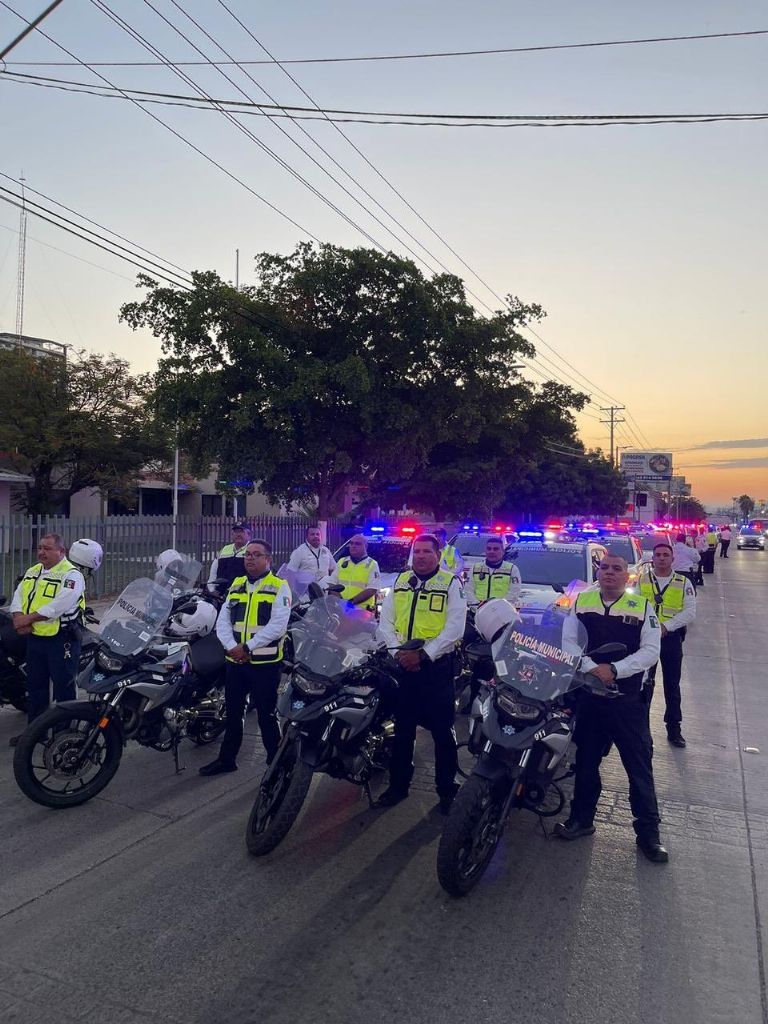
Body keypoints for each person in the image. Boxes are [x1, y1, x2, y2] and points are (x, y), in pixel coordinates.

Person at [555, 551, 667, 863]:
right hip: (590, 696)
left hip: (626, 701)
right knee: (586, 762)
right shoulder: (581, 602)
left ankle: (649, 835)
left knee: (638, 767)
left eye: (617, 569)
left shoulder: (642, 607)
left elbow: (650, 651)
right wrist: (593, 668)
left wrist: (615, 670)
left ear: (627, 575)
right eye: (604, 568)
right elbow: (569, 642)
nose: (609, 573)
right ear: (598, 571)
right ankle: (581, 819)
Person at [376, 534, 467, 814]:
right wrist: (399, 654)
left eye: (427, 552)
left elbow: (455, 628)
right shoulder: (401, 582)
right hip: (403, 666)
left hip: (436, 669)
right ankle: (398, 786)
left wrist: (424, 654)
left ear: (438, 555)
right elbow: (386, 622)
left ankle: (446, 789)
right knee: (402, 732)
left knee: (442, 732)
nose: (422, 556)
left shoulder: (451, 583)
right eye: (417, 551)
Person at [200, 539, 291, 776]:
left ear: (267, 559)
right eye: (248, 554)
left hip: (265, 664)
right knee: (233, 713)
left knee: (266, 716)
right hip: (236, 663)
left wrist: (247, 647)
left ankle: (276, 762)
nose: (249, 558)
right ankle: (227, 759)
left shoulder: (279, 586)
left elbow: (278, 626)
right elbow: (223, 621)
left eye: (256, 555)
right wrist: (232, 647)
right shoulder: (238, 584)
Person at [9, 534, 99, 742]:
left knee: (64, 689)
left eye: (47, 548)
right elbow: (19, 596)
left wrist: (27, 619)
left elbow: (59, 605)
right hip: (36, 639)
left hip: (62, 640)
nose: (41, 552)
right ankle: (35, 734)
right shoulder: (33, 571)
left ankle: (63, 735)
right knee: (35, 688)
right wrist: (17, 618)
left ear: (61, 551)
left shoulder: (71, 575)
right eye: (40, 547)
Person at [638, 542, 696, 748]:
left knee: (672, 685)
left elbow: (689, 612)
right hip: (645, 639)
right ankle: (641, 729)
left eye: (665, 555)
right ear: (652, 558)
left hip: (670, 639)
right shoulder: (642, 580)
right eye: (658, 555)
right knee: (644, 684)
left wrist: (666, 626)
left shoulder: (683, 582)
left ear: (673, 559)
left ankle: (674, 729)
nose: (661, 558)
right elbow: (635, 607)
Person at [328, 533, 381, 610]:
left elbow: (372, 589)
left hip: (362, 611)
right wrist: (340, 602)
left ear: (365, 547)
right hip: (340, 609)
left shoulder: (372, 564)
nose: (353, 546)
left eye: (357, 544)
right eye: (351, 543)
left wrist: (349, 603)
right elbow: (332, 584)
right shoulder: (342, 562)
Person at [464, 536, 521, 607]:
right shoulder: (475, 568)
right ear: (485, 551)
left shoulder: (512, 569)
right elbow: (468, 589)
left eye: (495, 549)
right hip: (478, 611)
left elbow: (514, 592)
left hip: (501, 612)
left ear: (503, 552)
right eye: (489, 549)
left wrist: (498, 606)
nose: (491, 551)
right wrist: (476, 605)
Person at [207, 522, 251, 591]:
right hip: (219, 595)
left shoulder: (252, 550)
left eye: (241, 532)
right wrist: (211, 590)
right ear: (232, 534)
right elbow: (213, 572)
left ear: (249, 535)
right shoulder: (225, 549)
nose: (238, 534)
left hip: (241, 595)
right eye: (236, 532)